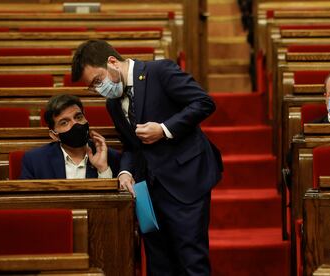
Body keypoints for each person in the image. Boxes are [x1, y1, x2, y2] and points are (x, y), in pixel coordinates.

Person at [71, 40, 223, 276]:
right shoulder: (113, 104)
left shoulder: (159, 71)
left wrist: (164, 129)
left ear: (112, 62)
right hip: (148, 191)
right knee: (158, 264)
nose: (98, 90)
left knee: (191, 260)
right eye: (92, 87)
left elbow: (204, 102)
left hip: (185, 180)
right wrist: (125, 171)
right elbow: (132, 146)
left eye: (98, 81)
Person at [20, 94, 120, 179]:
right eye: (64, 122)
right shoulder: (35, 160)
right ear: (54, 135)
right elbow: (27, 200)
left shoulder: (111, 157)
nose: (75, 124)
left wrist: (103, 169)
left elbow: (117, 200)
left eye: (78, 117)